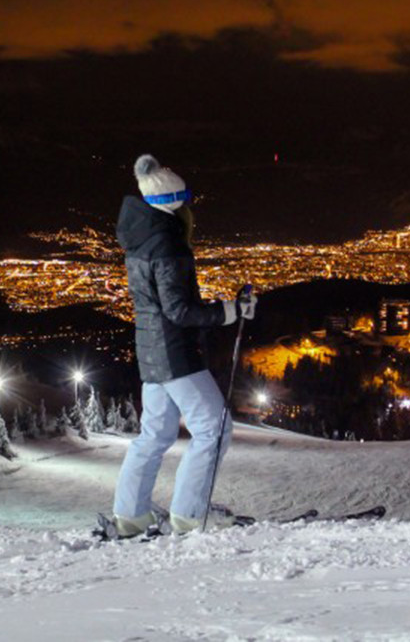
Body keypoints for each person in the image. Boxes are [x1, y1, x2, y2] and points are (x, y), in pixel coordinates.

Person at [111, 154, 257, 536]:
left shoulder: (141, 236)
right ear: (174, 200)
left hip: (150, 351)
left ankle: (130, 514)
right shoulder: (167, 244)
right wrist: (229, 312)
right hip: (175, 353)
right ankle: (191, 513)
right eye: (186, 196)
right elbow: (178, 310)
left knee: (155, 435)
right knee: (214, 428)